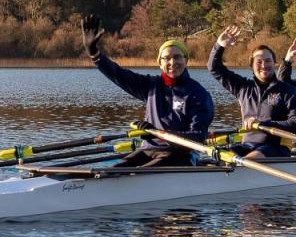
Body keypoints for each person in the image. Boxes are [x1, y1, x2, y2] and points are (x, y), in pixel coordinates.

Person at [82, 14, 214, 167]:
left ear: (186, 60)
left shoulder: (198, 94)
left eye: (178, 57)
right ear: (159, 63)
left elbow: (198, 136)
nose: (173, 62)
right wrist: (94, 54)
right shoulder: (151, 85)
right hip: (148, 150)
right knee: (114, 171)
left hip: (181, 155)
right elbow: (118, 74)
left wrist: (161, 134)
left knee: (139, 174)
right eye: (167, 58)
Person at [208, 25, 296, 158]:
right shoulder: (243, 87)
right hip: (247, 145)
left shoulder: (288, 91)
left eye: (268, 61)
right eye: (259, 62)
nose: (264, 65)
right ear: (251, 66)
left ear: (275, 63)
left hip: (276, 147)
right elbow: (214, 68)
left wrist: (261, 123)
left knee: (247, 161)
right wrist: (219, 46)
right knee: (223, 158)